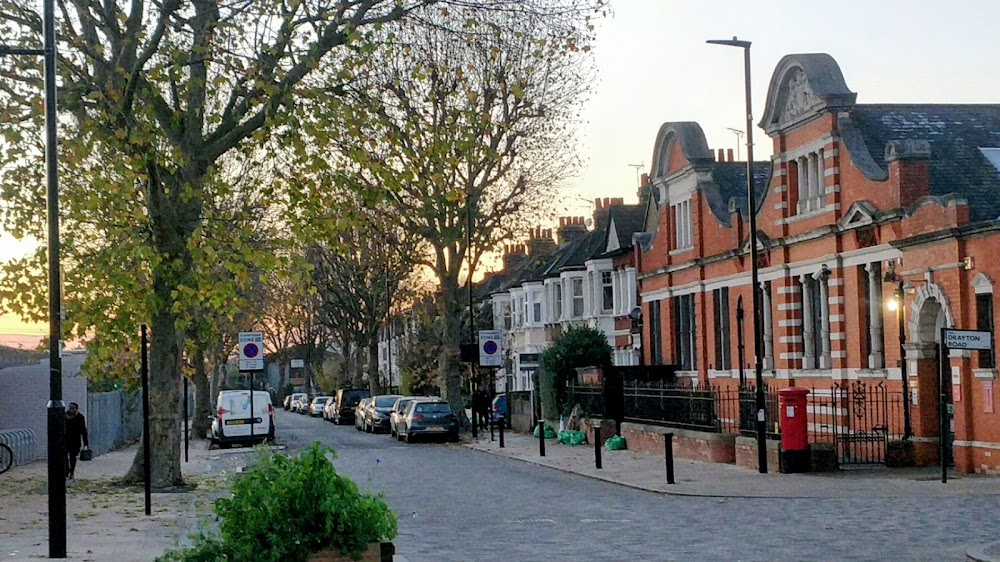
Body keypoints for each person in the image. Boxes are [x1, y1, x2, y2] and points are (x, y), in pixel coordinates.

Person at [65, 402, 89, 479]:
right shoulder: (64, 416)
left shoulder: (80, 417)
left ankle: (71, 472)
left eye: (72, 408)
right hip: (65, 439)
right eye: (70, 407)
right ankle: (66, 470)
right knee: (64, 456)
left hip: (75, 440)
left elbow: (83, 430)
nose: (70, 409)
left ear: (76, 409)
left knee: (73, 457)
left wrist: (86, 443)